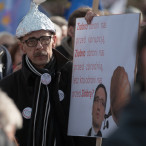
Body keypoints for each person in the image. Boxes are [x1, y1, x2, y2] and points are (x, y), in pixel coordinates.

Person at [0, 1, 73, 146]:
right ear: (22, 47)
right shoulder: (7, 87)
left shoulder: (74, 76)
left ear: (54, 41)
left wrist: (93, 26)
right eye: (32, 41)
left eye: (45, 39)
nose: (40, 46)